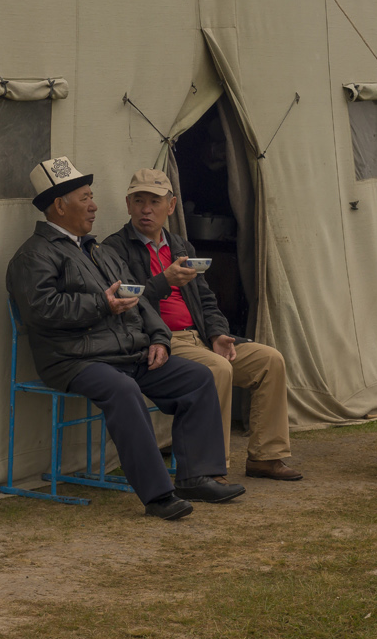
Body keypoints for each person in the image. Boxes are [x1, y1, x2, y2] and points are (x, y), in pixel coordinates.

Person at [5, 157, 246, 520]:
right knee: (123, 390)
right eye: (85, 198)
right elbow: (44, 310)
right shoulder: (33, 255)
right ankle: (158, 495)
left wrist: (160, 339)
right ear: (59, 206)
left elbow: (141, 300)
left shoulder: (96, 250)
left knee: (197, 377)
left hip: (125, 353)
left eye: (92, 197)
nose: (94, 205)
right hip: (74, 359)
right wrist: (101, 304)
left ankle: (195, 476)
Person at [103, 169, 302, 481]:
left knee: (269, 360)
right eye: (138, 201)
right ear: (127, 205)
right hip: (160, 340)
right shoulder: (114, 249)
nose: (146, 209)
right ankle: (211, 468)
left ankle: (266, 456)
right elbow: (128, 307)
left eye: (154, 201)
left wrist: (219, 334)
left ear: (170, 207)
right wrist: (162, 282)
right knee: (217, 369)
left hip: (199, 337)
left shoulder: (181, 246)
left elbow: (206, 299)